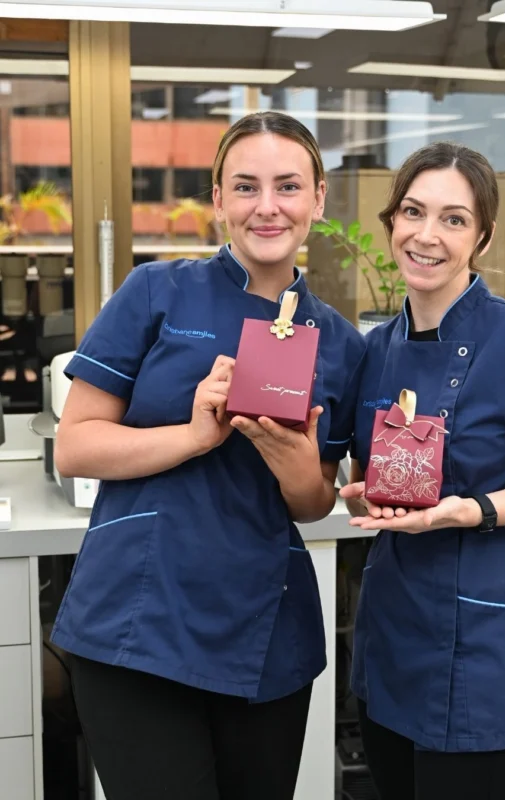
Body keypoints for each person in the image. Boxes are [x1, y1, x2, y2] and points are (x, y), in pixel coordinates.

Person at [51, 111, 366, 800]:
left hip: (266, 634)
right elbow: (75, 447)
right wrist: (194, 434)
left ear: (318, 198)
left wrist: (294, 462)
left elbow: (315, 500)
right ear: (218, 198)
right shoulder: (155, 293)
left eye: (287, 186)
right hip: (140, 619)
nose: (267, 206)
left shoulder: (341, 343)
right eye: (246, 187)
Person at [340, 142, 505, 800]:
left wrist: (473, 509)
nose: (426, 235)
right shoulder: (375, 350)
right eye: (412, 211)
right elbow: (365, 472)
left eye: (454, 219)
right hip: (393, 642)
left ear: (483, 236)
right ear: (392, 223)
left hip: (486, 649)